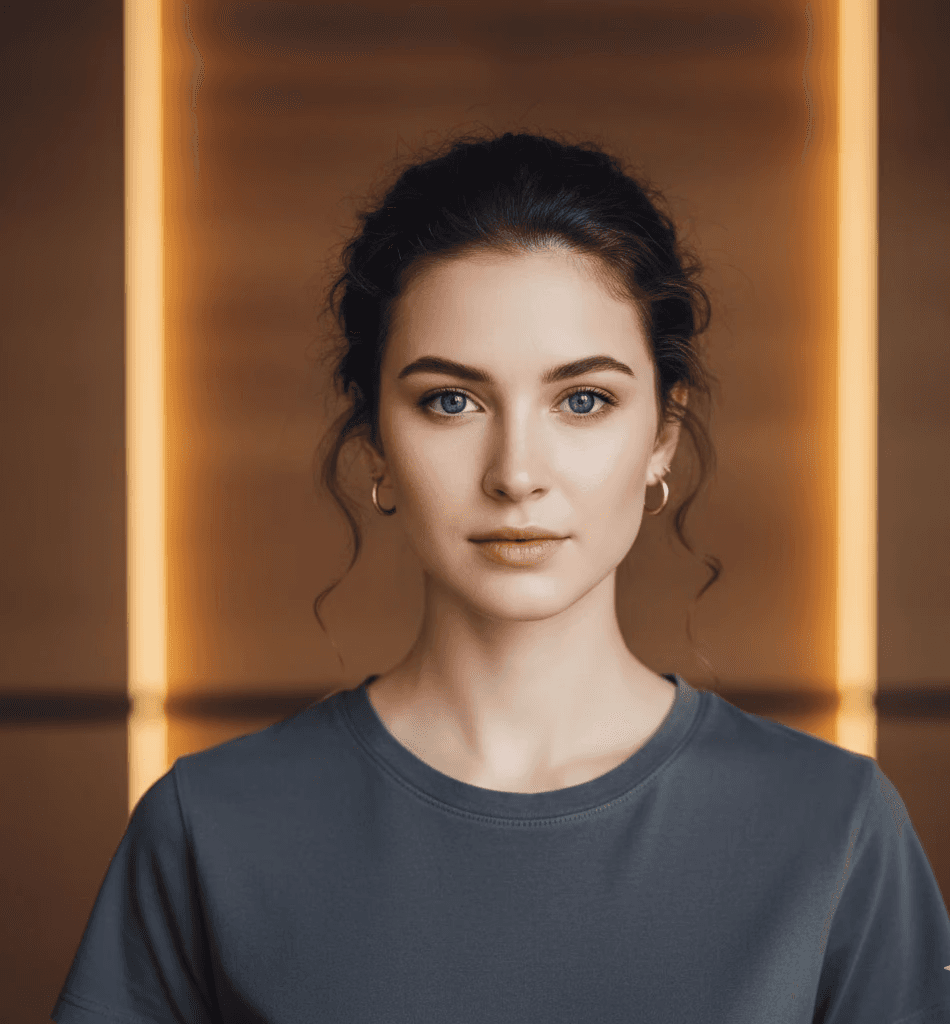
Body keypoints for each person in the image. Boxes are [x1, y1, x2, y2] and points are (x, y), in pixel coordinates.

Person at [52, 130, 950, 1024]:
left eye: (583, 401)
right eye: (451, 401)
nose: (516, 473)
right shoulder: (209, 828)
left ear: (662, 438)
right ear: (375, 443)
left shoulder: (834, 829)